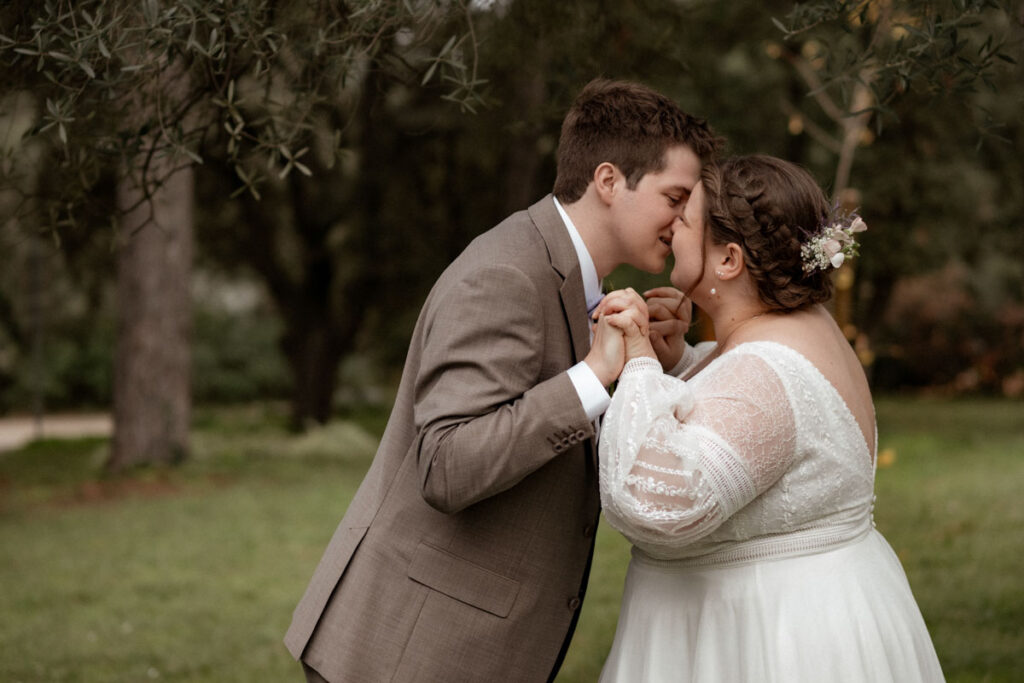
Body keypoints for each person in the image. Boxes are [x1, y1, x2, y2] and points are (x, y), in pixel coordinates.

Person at [283, 79, 720, 682]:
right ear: (610, 180)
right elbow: (447, 464)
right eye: (676, 197)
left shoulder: (576, 281)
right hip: (406, 653)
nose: (683, 221)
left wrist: (650, 368)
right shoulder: (506, 274)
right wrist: (596, 373)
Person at [589, 155, 944, 682]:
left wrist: (639, 365)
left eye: (684, 221)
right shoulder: (798, 328)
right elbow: (749, 423)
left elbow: (655, 503)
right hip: (814, 610)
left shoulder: (765, 373)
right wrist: (681, 364)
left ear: (729, 259)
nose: (670, 228)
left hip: (769, 639)